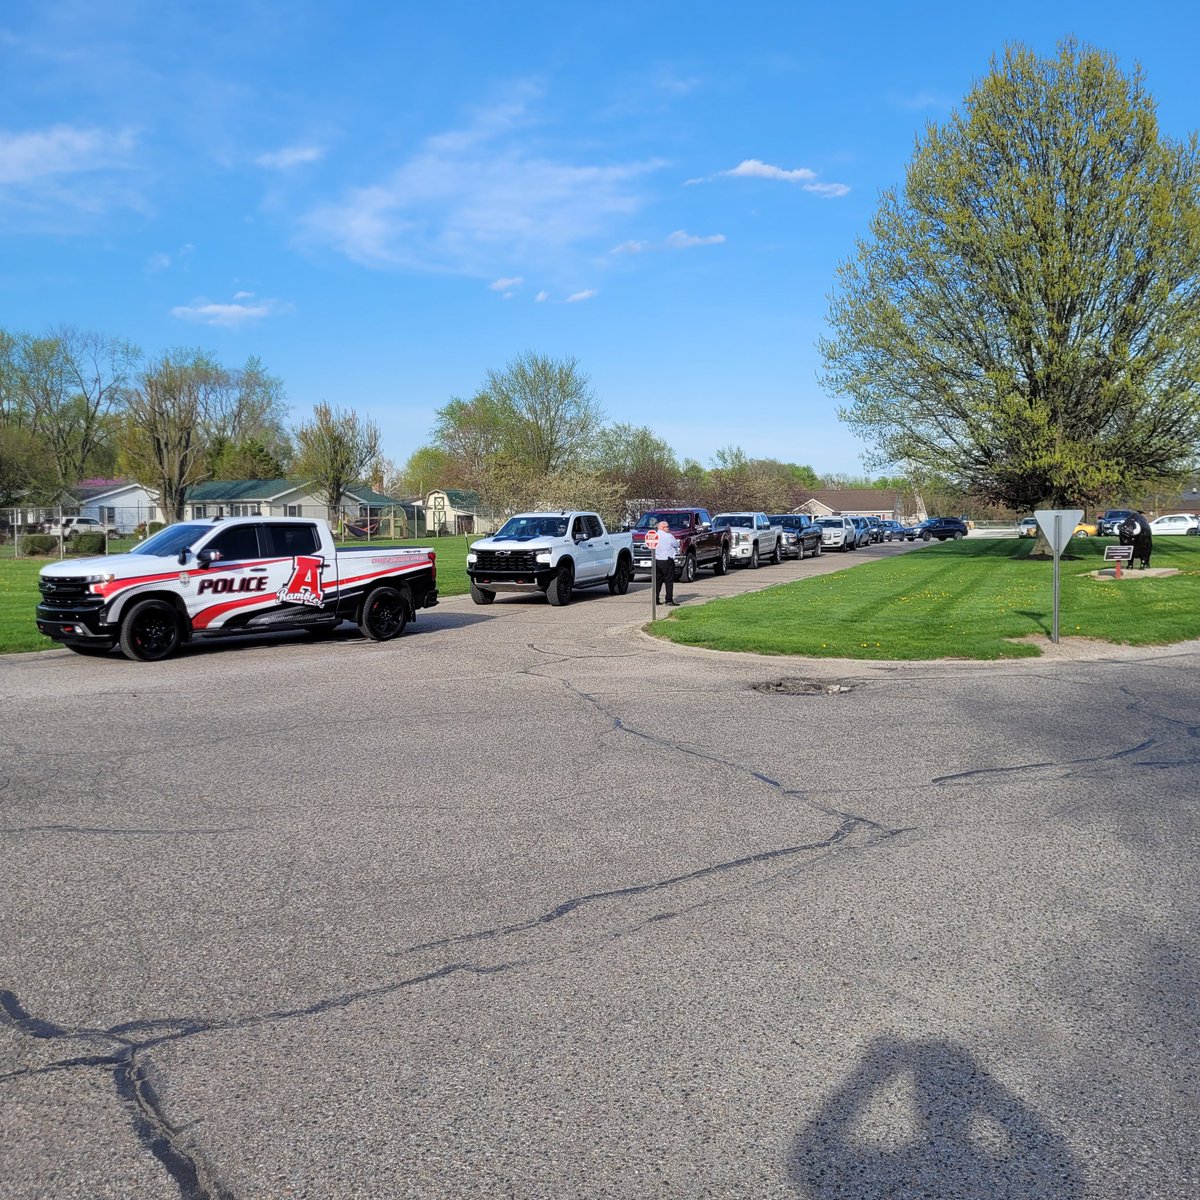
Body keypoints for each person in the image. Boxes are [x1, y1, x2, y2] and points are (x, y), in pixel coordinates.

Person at [653, 519, 681, 605]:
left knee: (657, 581)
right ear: (663, 527)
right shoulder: (669, 536)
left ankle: (655, 599)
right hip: (667, 561)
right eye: (667, 527)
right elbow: (676, 544)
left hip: (657, 561)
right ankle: (669, 600)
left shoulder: (654, 536)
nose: (669, 528)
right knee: (669, 580)